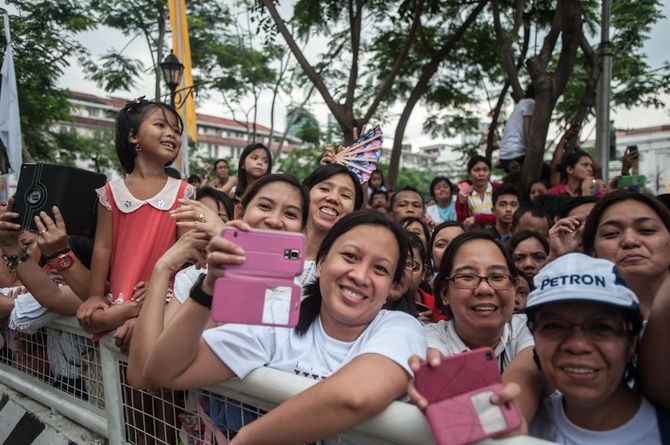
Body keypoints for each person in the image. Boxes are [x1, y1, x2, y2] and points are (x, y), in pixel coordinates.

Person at [142, 211, 426, 444]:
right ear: (322, 264)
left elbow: (354, 396)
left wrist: (246, 440)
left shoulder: (401, 329)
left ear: (393, 287)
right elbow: (164, 371)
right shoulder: (278, 315)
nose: (360, 276)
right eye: (350, 256)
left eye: (380, 269)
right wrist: (208, 289)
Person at [128, 173, 309, 389]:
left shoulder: (302, 298)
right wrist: (162, 268)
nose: (274, 220)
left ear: (302, 233)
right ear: (240, 213)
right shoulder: (197, 278)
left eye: (290, 214)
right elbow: (143, 377)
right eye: (264, 206)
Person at [76, 97, 196, 338]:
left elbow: (187, 251)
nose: (172, 134)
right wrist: (96, 294)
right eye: (161, 125)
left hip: (165, 294)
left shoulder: (184, 191)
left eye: (176, 129)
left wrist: (160, 282)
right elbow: (103, 247)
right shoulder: (111, 192)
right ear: (133, 137)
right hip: (122, 293)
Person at [525, 253, 665, 444]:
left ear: (631, 342)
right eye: (554, 326)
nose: (577, 345)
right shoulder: (521, 430)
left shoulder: (662, 432)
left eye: (601, 327)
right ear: (534, 337)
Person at [423, 231, 533, 372]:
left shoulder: (528, 327)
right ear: (445, 293)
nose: (484, 288)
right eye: (468, 277)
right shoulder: (430, 338)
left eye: (497, 277)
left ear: (514, 288)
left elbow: (529, 375)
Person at [581, 190, 670, 319]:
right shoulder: (578, 315)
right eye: (611, 233)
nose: (629, 241)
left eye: (646, 230)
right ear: (592, 251)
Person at [301, 164, 363, 285]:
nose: (333, 198)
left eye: (345, 195)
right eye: (324, 189)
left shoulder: (347, 270)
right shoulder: (272, 241)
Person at [456, 155, 499, 230]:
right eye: (477, 170)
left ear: (489, 173)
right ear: (469, 174)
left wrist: (477, 218)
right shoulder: (464, 194)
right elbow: (462, 223)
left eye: (485, 170)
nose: (481, 174)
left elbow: (503, 216)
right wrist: (461, 203)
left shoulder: (498, 189)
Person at [499, 85, 534, 173]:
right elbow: (527, 130)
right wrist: (531, 151)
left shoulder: (521, 103)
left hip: (504, 157)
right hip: (516, 154)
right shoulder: (530, 103)